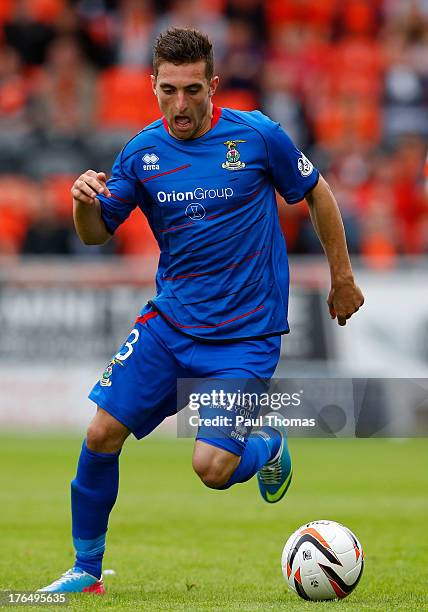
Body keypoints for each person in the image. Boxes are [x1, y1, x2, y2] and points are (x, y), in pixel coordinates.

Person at [38, 27, 364, 594]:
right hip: (171, 325)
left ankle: (269, 446)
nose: (179, 104)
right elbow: (95, 235)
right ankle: (86, 572)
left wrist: (342, 277)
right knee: (99, 434)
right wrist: (81, 203)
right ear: (153, 85)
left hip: (244, 335)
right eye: (168, 90)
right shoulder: (141, 152)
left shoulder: (257, 136)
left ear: (212, 85)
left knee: (211, 470)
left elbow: (317, 192)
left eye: (192, 90)